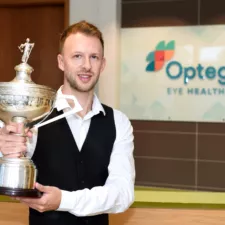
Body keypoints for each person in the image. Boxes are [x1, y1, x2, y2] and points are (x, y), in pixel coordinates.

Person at [0, 20, 135, 225]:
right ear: (61, 62)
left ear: (103, 64)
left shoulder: (119, 122)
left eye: (94, 57)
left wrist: (63, 200)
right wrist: (4, 150)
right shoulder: (33, 116)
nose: (87, 66)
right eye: (77, 56)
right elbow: (11, 171)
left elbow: (122, 194)